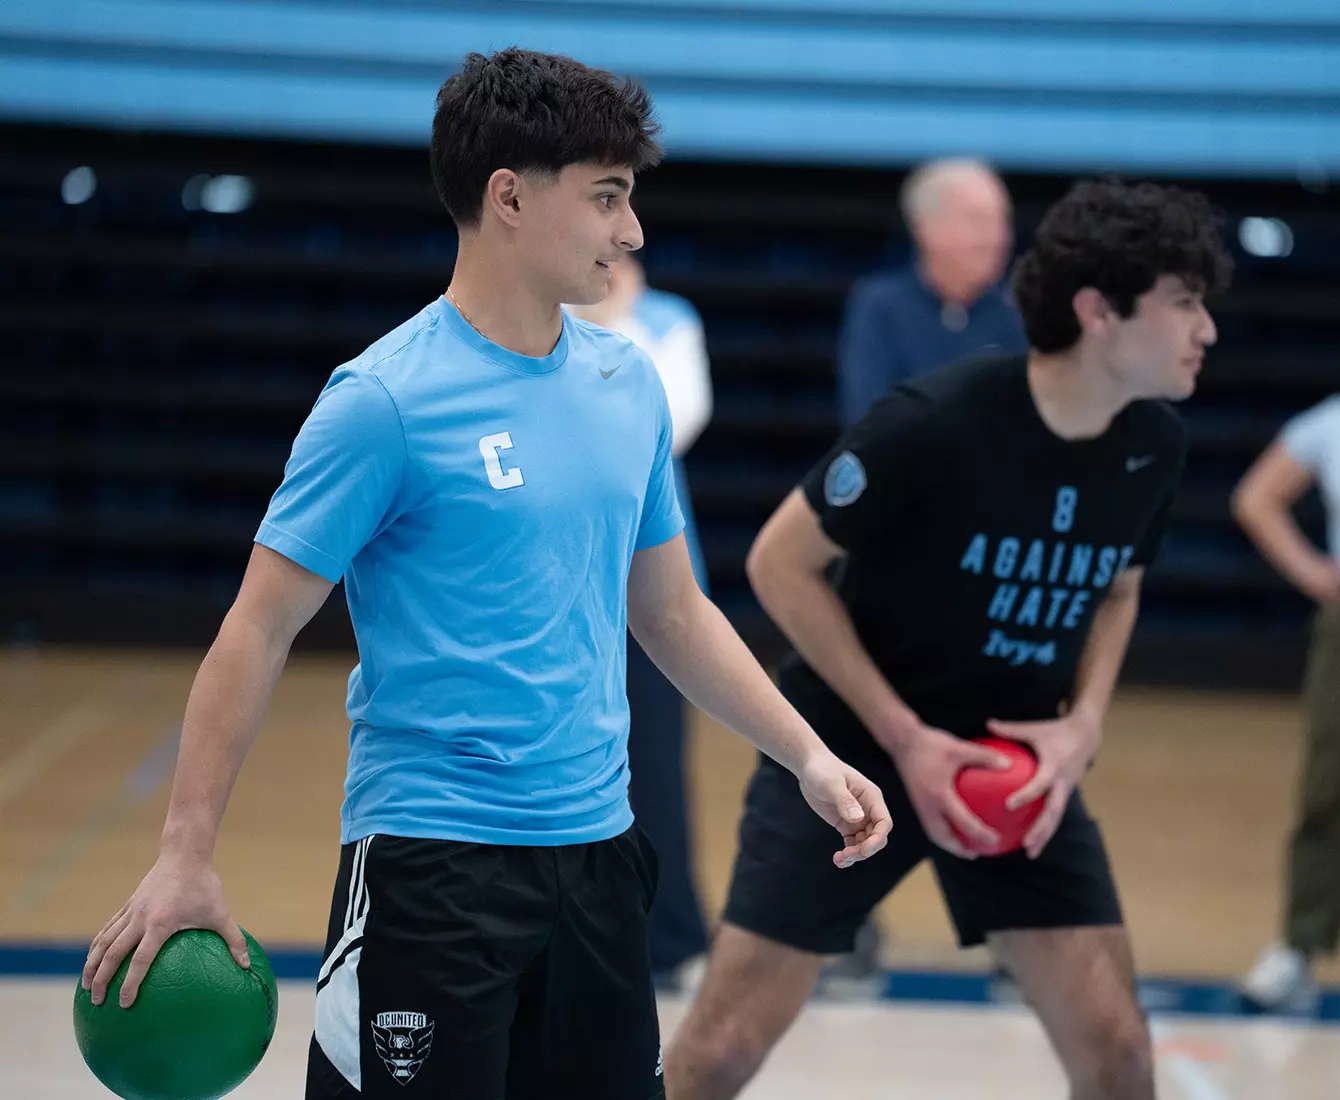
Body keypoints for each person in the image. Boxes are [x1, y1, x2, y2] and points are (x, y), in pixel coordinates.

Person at [79, 49, 892, 1100]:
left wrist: (805, 755)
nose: (631, 231)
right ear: (507, 196)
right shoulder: (382, 401)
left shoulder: (625, 382)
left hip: (600, 862)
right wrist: (186, 851)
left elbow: (672, 608)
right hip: (430, 869)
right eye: (606, 197)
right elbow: (257, 626)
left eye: (630, 197)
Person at [666, 179, 1232, 1100]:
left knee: (1119, 1055)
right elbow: (778, 565)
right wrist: (903, 738)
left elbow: (1118, 590)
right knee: (720, 1050)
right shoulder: (935, 419)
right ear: (1098, 311)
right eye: (1182, 302)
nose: (1204, 329)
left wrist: (1083, 723)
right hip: (850, 752)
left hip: (1014, 760)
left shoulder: (1153, 446)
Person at [570, 255, 714, 983]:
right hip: (567, 585)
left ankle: (676, 939)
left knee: (655, 768)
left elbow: (672, 419)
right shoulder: (551, 317)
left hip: (655, 589)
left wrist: (614, 322)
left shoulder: (668, 318)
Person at [1234, 298, 1340, 1011]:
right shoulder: (1336, 424)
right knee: (1334, 782)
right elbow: (1255, 498)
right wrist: (1311, 570)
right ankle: (1298, 944)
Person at [836, 158, 1026, 426]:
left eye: (1002, 221)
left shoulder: (1020, 311)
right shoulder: (880, 307)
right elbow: (867, 417)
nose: (996, 239)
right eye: (978, 221)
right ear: (927, 228)